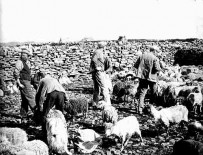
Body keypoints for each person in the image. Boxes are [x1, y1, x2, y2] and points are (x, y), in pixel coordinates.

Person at [34, 71, 68, 139]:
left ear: (40, 77)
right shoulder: (54, 79)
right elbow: (62, 89)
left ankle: (45, 131)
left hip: (52, 93)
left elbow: (40, 94)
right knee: (60, 113)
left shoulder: (42, 80)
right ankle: (61, 129)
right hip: (61, 94)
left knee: (45, 113)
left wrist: (40, 105)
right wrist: (67, 100)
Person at [134, 46, 162, 114]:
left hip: (143, 77)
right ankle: (150, 108)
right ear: (154, 51)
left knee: (142, 93)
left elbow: (136, 65)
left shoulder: (142, 56)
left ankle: (140, 109)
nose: (157, 53)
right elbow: (157, 69)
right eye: (157, 52)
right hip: (152, 78)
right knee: (153, 92)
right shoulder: (155, 58)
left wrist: (143, 70)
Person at [13, 48, 36, 122]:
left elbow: (29, 73)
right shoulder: (19, 62)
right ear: (21, 55)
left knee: (25, 99)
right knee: (30, 97)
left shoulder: (27, 62)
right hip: (23, 82)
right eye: (23, 55)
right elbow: (16, 73)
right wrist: (19, 83)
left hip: (27, 81)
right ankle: (37, 114)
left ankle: (23, 116)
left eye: (26, 55)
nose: (25, 56)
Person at [90, 41, 112, 107]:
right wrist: (97, 67)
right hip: (99, 72)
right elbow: (94, 60)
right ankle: (107, 103)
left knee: (96, 88)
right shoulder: (98, 52)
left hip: (96, 72)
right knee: (104, 87)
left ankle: (95, 102)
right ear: (103, 47)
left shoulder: (98, 52)